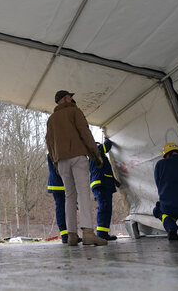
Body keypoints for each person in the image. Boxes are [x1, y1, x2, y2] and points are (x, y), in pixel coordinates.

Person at [45, 90, 107, 247]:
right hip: (78, 156)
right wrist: (95, 153)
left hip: (61, 161)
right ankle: (88, 234)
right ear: (66, 99)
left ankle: (72, 235)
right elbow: (84, 132)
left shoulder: (51, 119)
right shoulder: (75, 112)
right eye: (71, 97)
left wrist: (55, 160)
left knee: (69, 196)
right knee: (83, 194)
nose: (72, 99)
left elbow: (49, 142)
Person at [90, 138, 120, 241]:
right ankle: (101, 233)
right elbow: (107, 145)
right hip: (101, 184)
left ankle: (103, 232)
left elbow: (105, 170)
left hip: (104, 184)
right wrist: (108, 138)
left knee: (106, 209)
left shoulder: (99, 158)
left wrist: (114, 181)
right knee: (104, 208)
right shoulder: (95, 151)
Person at [46, 153, 69, 243]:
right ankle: (65, 235)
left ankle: (67, 234)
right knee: (61, 210)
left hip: (59, 185)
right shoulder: (53, 153)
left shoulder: (53, 152)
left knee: (63, 210)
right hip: (59, 185)